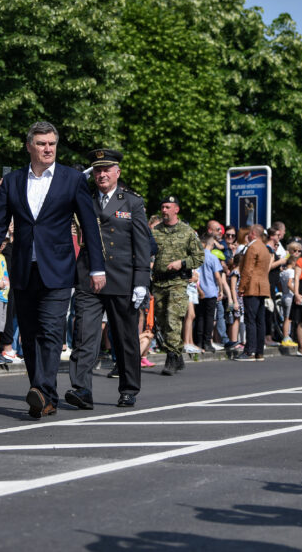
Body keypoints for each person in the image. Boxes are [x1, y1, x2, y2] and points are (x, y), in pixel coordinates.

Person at [0, 122, 106, 419]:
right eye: (41, 143)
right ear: (29, 146)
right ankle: (42, 393)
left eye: (52, 143)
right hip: (23, 268)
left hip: (58, 269)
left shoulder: (71, 179)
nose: (48, 149)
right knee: (30, 335)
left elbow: (89, 225)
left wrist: (97, 267)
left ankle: (44, 392)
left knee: (50, 331)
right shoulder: (12, 181)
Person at [66, 148, 151, 409]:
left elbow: (143, 245)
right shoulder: (84, 198)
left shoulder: (132, 202)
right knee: (84, 335)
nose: (102, 174)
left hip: (121, 278)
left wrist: (141, 281)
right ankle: (82, 389)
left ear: (117, 172)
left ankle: (128, 388)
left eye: (107, 169)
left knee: (125, 337)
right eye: (98, 170)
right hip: (89, 277)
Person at [151, 195, 203, 376]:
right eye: (162, 207)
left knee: (173, 319)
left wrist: (182, 263)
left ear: (176, 209)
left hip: (178, 282)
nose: (164, 210)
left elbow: (199, 257)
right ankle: (178, 353)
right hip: (158, 282)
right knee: (162, 321)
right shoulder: (155, 231)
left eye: (167, 207)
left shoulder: (188, 232)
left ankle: (171, 357)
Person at [236, 224, 271, 361]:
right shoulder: (264, 248)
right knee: (260, 320)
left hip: (252, 287)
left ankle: (249, 351)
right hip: (262, 286)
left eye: (250, 233)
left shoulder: (252, 247)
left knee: (250, 320)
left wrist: (241, 287)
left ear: (253, 233)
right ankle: (259, 351)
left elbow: (247, 270)